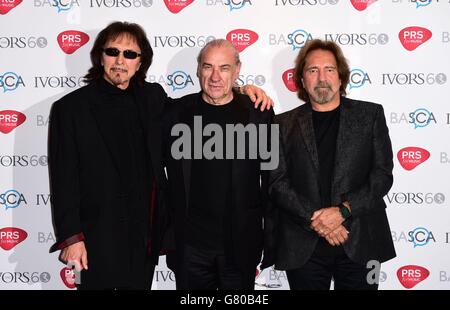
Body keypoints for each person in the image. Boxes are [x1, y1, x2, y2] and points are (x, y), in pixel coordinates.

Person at [48, 22, 272, 290]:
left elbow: (215, 99)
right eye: (113, 52)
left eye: (130, 54)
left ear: (141, 61)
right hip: (97, 238)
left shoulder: (152, 98)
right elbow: (63, 180)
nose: (121, 61)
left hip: (144, 238)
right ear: (100, 55)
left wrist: (244, 89)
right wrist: (72, 238)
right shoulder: (70, 109)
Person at [262, 39, 396, 290]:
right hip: (302, 245)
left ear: (341, 77)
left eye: (329, 70)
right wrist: (319, 221)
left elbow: (382, 176)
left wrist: (343, 211)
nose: (321, 78)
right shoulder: (279, 125)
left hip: (361, 240)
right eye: (313, 71)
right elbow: (276, 182)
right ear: (302, 80)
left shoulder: (371, 116)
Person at [164, 39, 274, 290]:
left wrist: (270, 240)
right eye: (208, 67)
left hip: (240, 246)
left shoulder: (258, 114)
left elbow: (271, 181)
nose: (215, 76)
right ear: (198, 70)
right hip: (189, 247)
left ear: (237, 70)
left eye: (224, 68)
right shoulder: (175, 113)